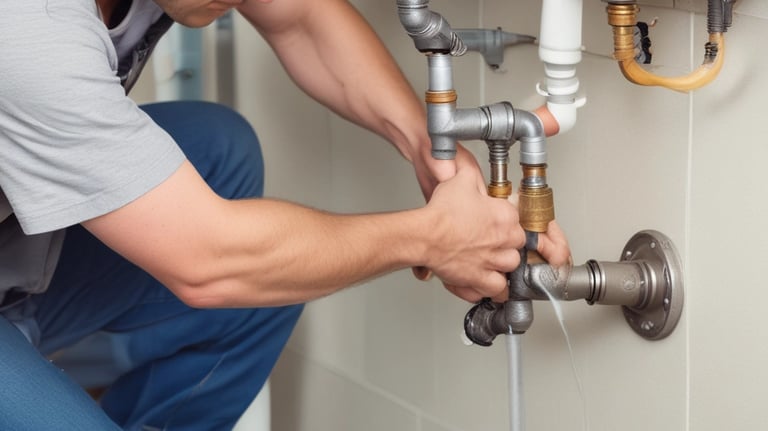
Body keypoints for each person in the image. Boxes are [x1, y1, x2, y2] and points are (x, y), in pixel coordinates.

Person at [0, 0, 571, 429]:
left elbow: (300, 17)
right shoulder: (27, 27)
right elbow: (206, 262)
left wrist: (433, 153)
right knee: (244, 261)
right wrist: (434, 240)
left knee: (222, 158)